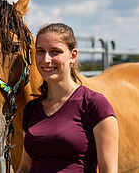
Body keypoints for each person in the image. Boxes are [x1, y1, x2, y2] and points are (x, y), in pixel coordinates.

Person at [17, 23, 119, 173]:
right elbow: (25, 167)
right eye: (40, 51)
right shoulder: (32, 109)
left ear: (73, 56)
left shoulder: (95, 105)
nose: (46, 59)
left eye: (55, 52)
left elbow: (108, 170)